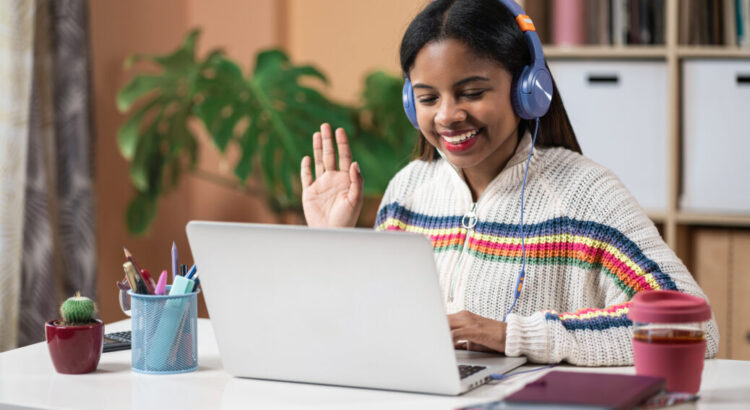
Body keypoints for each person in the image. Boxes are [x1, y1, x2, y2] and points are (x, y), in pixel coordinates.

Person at [299, 0, 718, 366]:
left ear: (526, 90)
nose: (447, 116)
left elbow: (693, 327)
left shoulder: (585, 196)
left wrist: (513, 335)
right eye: (428, 98)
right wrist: (332, 244)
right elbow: (372, 328)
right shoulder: (408, 194)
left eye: (471, 92)